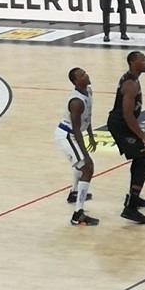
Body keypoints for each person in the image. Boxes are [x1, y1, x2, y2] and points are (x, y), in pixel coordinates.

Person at [107, 51, 145, 224]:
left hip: (124, 125)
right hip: (120, 126)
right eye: (143, 59)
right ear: (133, 62)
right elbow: (127, 115)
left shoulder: (134, 79)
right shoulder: (130, 84)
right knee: (143, 162)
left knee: (140, 160)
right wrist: (144, 137)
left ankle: (134, 198)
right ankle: (130, 208)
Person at [55, 67, 99, 226]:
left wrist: (91, 136)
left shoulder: (88, 91)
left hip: (73, 133)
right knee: (87, 167)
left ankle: (74, 193)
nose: (86, 75)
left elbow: (87, 117)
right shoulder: (76, 102)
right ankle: (77, 214)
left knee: (81, 164)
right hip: (67, 135)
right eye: (82, 75)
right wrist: (86, 155)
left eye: (85, 72)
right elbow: (75, 129)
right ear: (75, 81)